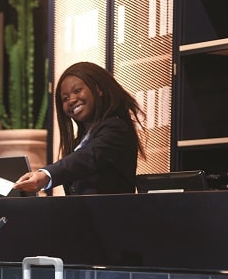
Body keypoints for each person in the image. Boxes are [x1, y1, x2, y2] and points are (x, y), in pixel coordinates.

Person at [14, 61, 146, 196]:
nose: (71, 100)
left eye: (77, 91)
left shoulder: (116, 129)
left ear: (98, 89)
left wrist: (47, 175)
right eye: (65, 99)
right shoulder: (79, 142)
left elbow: (88, 158)